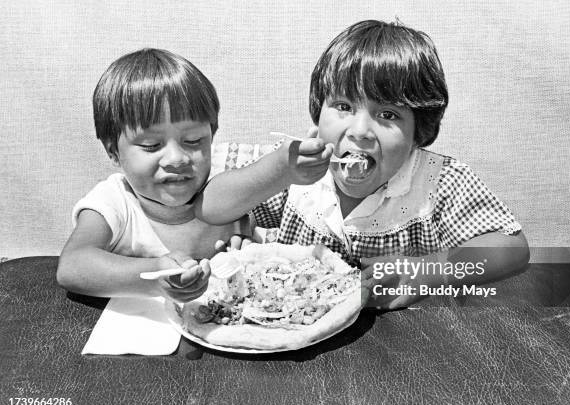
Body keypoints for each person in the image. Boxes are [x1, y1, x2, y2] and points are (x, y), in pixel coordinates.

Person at [198, 20, 529, 309]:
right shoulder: (292, 170)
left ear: (419, 133)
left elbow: (512, 249)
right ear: (317, 114)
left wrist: (430, 271)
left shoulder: (439, 182)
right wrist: (278, 172)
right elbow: (211, 207)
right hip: (297, 334)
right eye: (343, 106)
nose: (359, 131)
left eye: (387, 115)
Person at [57, 48, 250, 302]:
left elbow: (245, 220)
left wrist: (244, 235)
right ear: (114, 152)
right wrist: (156, 275)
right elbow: (72, 266)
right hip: (136, 333)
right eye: (151, 145)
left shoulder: (220, 190)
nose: (177, 158)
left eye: (193, 140)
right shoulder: (115, 201)